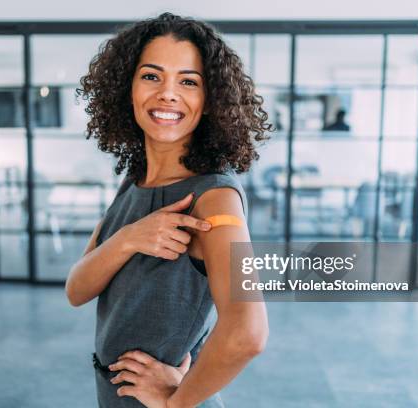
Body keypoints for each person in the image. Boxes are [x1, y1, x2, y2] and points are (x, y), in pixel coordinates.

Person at [66, 12, 271, 408]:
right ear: (127, 87)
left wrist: (175, 402)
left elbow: (248, 333)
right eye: (151, 76)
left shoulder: (215, 199)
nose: (168, 93)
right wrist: (129, 238)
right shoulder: (136, 179)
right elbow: (77, 289)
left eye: (189, 82)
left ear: (210, 100)